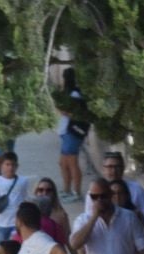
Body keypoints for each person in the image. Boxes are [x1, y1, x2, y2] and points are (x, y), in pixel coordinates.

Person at [86, 150, 144, 254]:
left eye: (117, 166)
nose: (113, 171)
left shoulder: (136, 189)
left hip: (135, 247)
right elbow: (87, 220)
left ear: (123, 168)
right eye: (109, 167)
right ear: (103, 169)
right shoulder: (93, 193)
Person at [55, 68, 89, 200]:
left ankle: (77, 192)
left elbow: (75, 114)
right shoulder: (69, 93)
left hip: (72, 131)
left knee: (72, 163)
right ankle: (67, 189)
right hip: (65, 131)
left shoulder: (75, 94)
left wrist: (62, 109)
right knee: (63, 163)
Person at [0, 151, 30, 244]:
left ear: (17, 166)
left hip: (17, 223)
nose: (10, 168)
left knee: (16, 249)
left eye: (13, 165)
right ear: (1, 166)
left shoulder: (23, 181)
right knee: (0, 251)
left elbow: (26, 197)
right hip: (2, 223)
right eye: (7, 164)